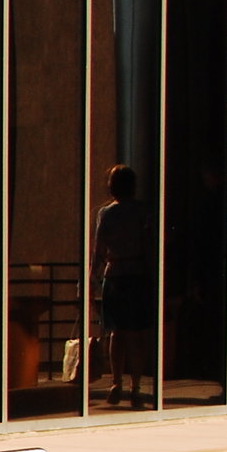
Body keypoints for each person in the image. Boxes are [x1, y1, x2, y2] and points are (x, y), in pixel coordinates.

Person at [93, 164, 154, 407]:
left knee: (116, 333)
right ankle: (135, 386)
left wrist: (90, 278)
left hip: (114, 274)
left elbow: (98, 250)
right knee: (136, 335)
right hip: (137, 274)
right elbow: (149, 245)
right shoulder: (143, 211)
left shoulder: (106, 214)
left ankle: (116, 381)